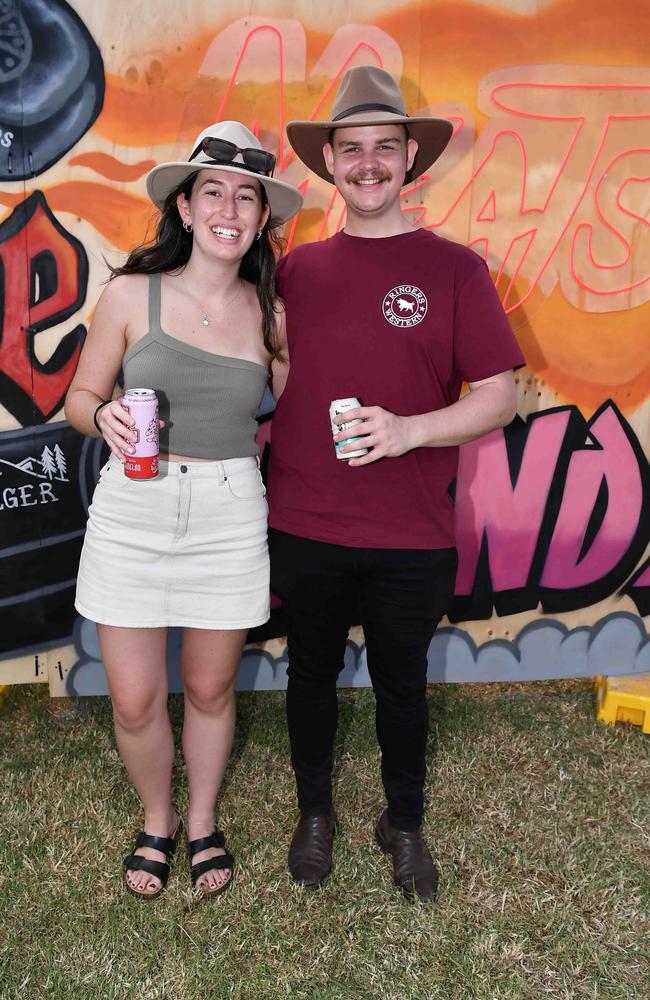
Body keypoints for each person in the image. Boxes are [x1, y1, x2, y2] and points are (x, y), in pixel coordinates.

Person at [267, 66, 525, 902]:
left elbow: (500, 396)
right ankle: (315, 814)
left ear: (410, 159)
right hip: (304, 516)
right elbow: (272, 370)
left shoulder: (456, 271)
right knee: (309, 674)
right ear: (329, 164)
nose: (368, 164)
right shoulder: (297, 271)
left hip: (412, 528)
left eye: (385, 148)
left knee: (401, 683)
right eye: (352, 149)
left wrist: (410, 429)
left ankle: (402, 824)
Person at [65, 121, 302, 900]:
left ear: (261, 217)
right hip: (133, 507)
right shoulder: (132, 294)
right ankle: (157, 816)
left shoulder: (271, 312)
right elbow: (80, 397)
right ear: (187, 208)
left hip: (230, 511)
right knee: (133, 697)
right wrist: (99, 418)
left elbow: (295, 409)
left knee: (209, 689)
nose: (230, 208)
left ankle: (202, 819)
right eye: (214, 192)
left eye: (247, 197)